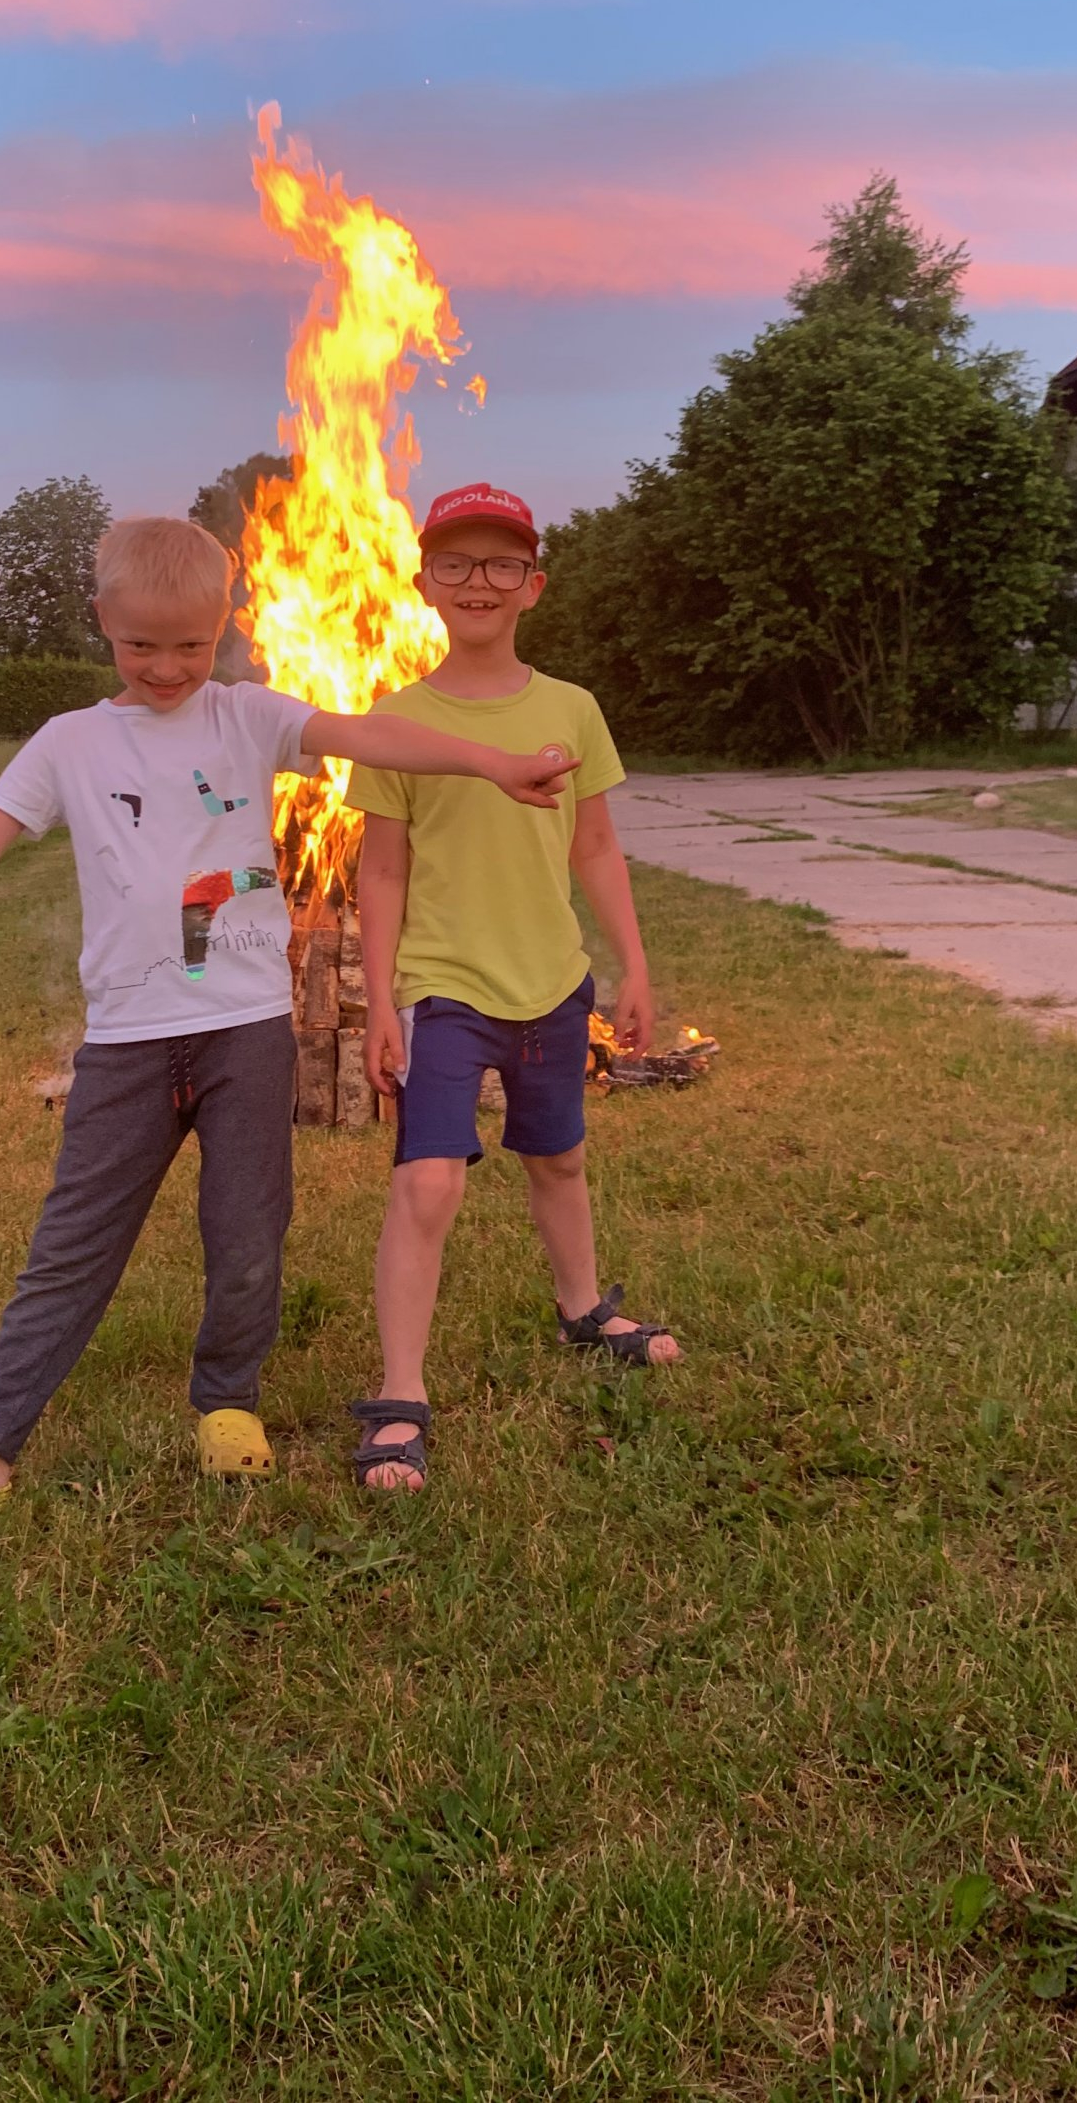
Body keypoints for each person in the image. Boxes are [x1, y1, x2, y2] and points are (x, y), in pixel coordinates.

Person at [0, 514, 575, 1536]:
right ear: (102, 621)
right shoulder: (69, 743)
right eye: (141, 645)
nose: (166, 668)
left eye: (191, 645)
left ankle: (228, 1402)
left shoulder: (247, 718)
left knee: (247, 1232)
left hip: (248, 1030)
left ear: (224, 624)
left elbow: (370, 735)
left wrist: (488, 762)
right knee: (71, 1246)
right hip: (128, 1042)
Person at [345, 482, 682, 1492]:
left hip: (551, 983)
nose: (478, 582)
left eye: (501, 564)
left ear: (534, 584)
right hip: (443, 988)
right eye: (455, 563)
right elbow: (382, 870)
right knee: (429, 1181)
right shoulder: (396, 720)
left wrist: (632, 963)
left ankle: (583, 1310)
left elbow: (597, 846)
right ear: (423, 583)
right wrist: (378, 1004)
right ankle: (399, 1395)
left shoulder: (571, 709)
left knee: (560, 1157)